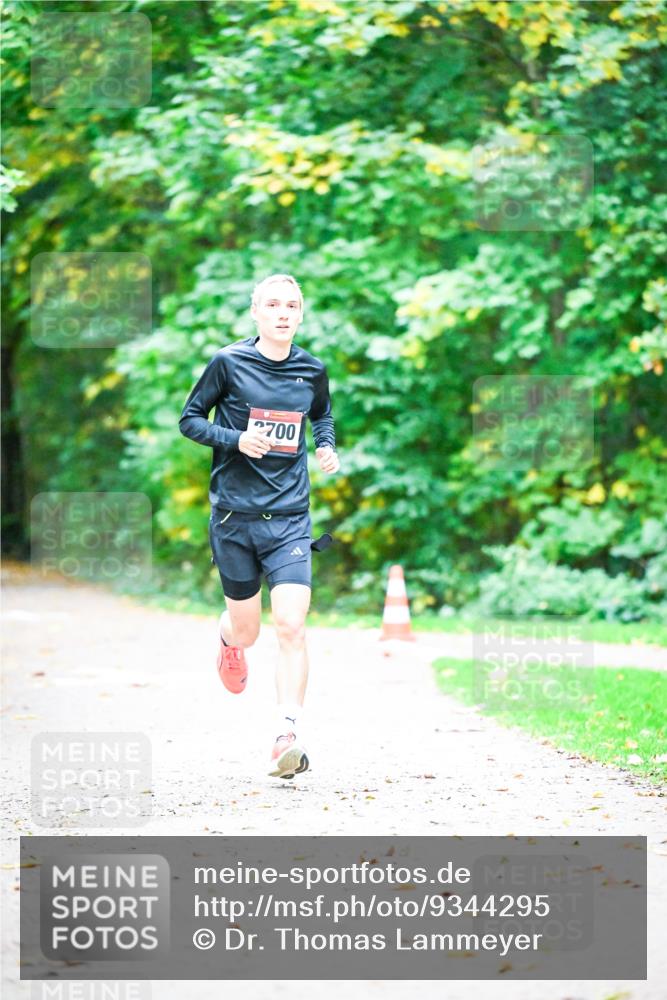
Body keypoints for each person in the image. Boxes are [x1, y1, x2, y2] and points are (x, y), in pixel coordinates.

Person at [179, 273, 339, 780]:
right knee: (247, 631)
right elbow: (189, 420)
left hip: (290, 519)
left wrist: (327, 445)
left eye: (292, 305)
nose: (283, 313)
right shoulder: (228, 363)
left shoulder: (311, 369)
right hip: (233, 517)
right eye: (273, 304)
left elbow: (323, 416)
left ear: (301, 313)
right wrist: (236, 440)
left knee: (291, 625)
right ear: (256, 312)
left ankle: (286, 735)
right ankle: (229, 641)